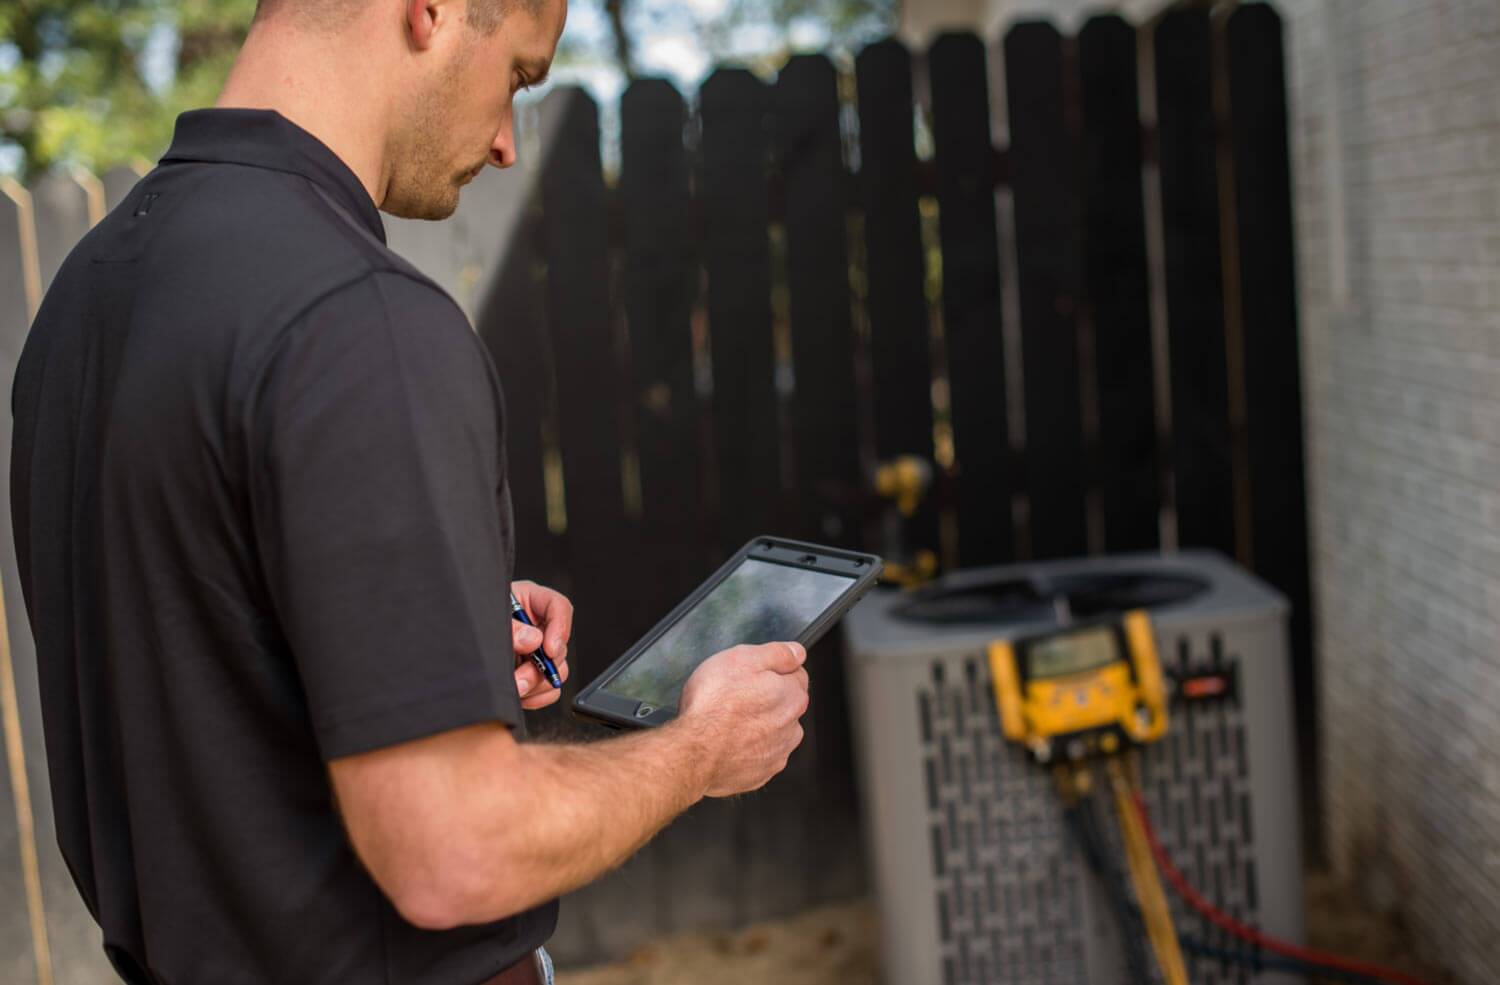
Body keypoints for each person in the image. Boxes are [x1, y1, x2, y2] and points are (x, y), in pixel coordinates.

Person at [8, 0, 811, 982]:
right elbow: (454, 854)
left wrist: (426, 650)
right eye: (518, 76)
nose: (511, 143)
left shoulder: (86, 297)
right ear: (429, 11)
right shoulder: (358, 320)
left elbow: (199, 662)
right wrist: (701, 747)